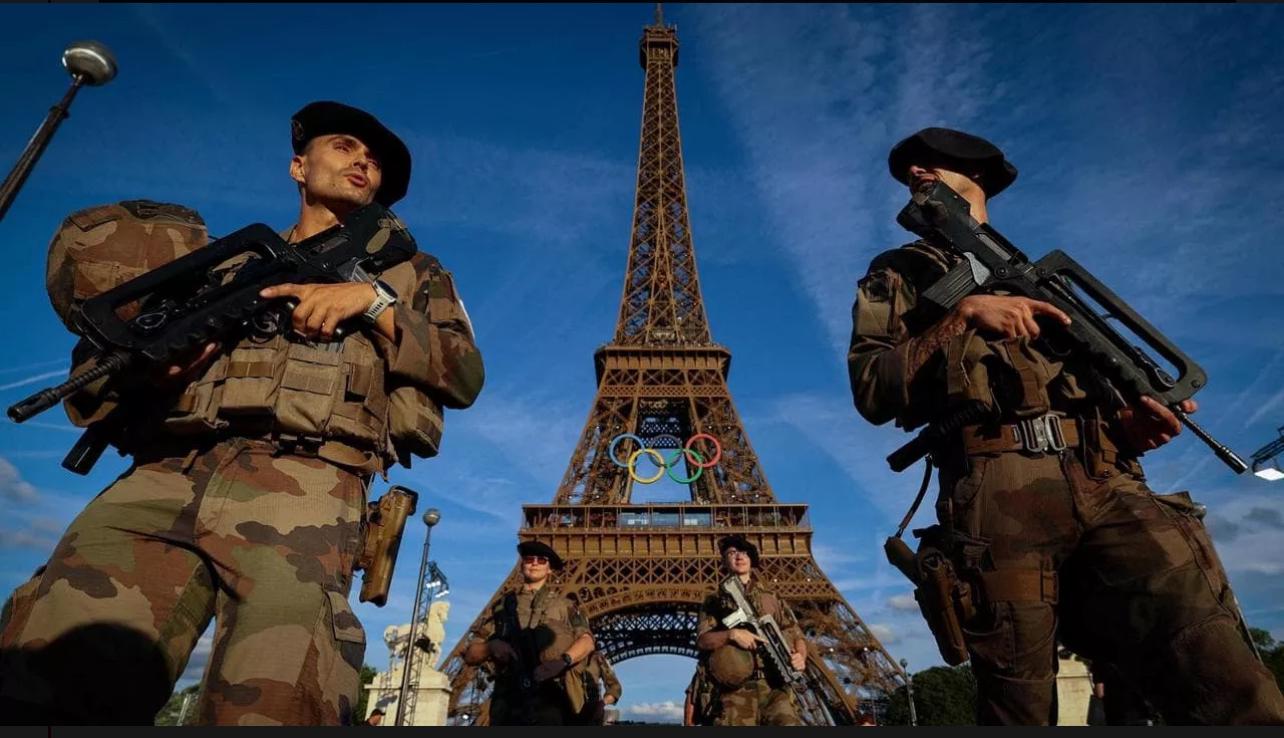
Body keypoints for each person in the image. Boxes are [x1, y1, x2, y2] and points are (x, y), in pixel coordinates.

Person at [0, 101, 485, 725]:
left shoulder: (413, 275)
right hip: (160, 475)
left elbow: (465, 372)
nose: (364, 160)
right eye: (344, 146)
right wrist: (160, 366)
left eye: (376, 162)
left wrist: (371, 301)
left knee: (275, 702)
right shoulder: (222, 265)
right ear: (297, 167)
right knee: (52, 673)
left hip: (306, 488)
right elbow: (99, 378)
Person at [848, 126, 1284, 725]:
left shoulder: (1043, 281)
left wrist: (1131, 427)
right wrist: (964, 316)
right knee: (1018, 706)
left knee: (1225, 673)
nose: (915, 176)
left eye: (931, 166)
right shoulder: (897, 271)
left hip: (1110, 478)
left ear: (976, 177)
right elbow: (871, 388)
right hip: (998, 485)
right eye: (908, 171)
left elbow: (1096, 389)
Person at [463, 541, 595, 725]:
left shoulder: (565, 606)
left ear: (550, 569)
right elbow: (470, 654)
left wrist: (562, 661)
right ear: (522, 564)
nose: (534, 563)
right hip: (508, 698)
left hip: (550, 697)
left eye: (541, 560)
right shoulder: (501, 606)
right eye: (528, 559)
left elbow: (587, 641)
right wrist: (490, 647)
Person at [695, 535, 807, 726]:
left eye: (745, 553)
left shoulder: (771, 597)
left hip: (775, 686)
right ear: (724, 560)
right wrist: (732, 634)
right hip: (736, 690)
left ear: (752, 559)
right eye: (732, 553)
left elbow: (797, 634)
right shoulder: (714, 601)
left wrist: (801, 657)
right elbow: (703, 640)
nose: (739, 556)